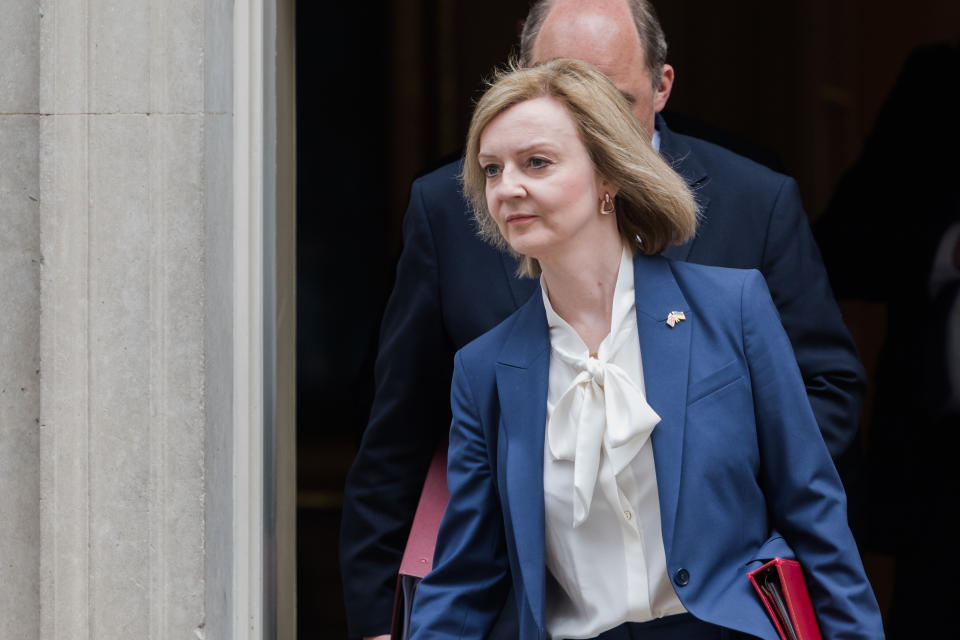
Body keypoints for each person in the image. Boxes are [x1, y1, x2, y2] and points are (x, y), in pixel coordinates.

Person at [340, 1, 866, 637]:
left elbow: (816, 516)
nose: (507, 187)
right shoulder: (482, 370)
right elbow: (465, 573)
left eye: (537, 163)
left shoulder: (733, 306)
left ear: (608, 175)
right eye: (491, 170)